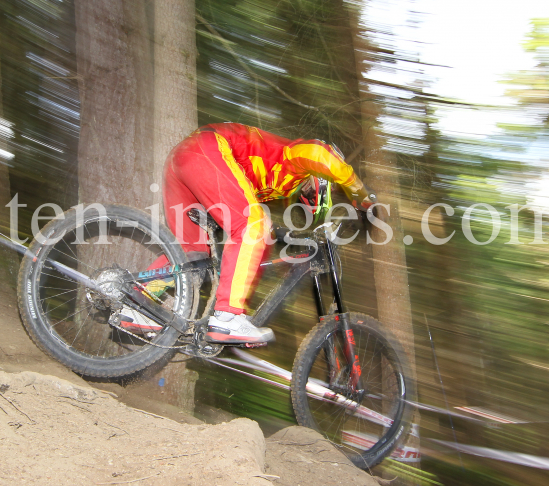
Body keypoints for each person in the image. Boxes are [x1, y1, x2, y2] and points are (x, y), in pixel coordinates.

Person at [118, 122, 374, 345]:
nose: (308, 194)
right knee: (254, 224)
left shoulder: (279, 184)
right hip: (207, 149)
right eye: (314, 189)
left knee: (192, 253)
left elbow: (232, 200)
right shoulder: (297, 156)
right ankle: (227, 317)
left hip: (183, 160)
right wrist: (362, 196)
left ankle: (137, 305)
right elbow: (320, 154)